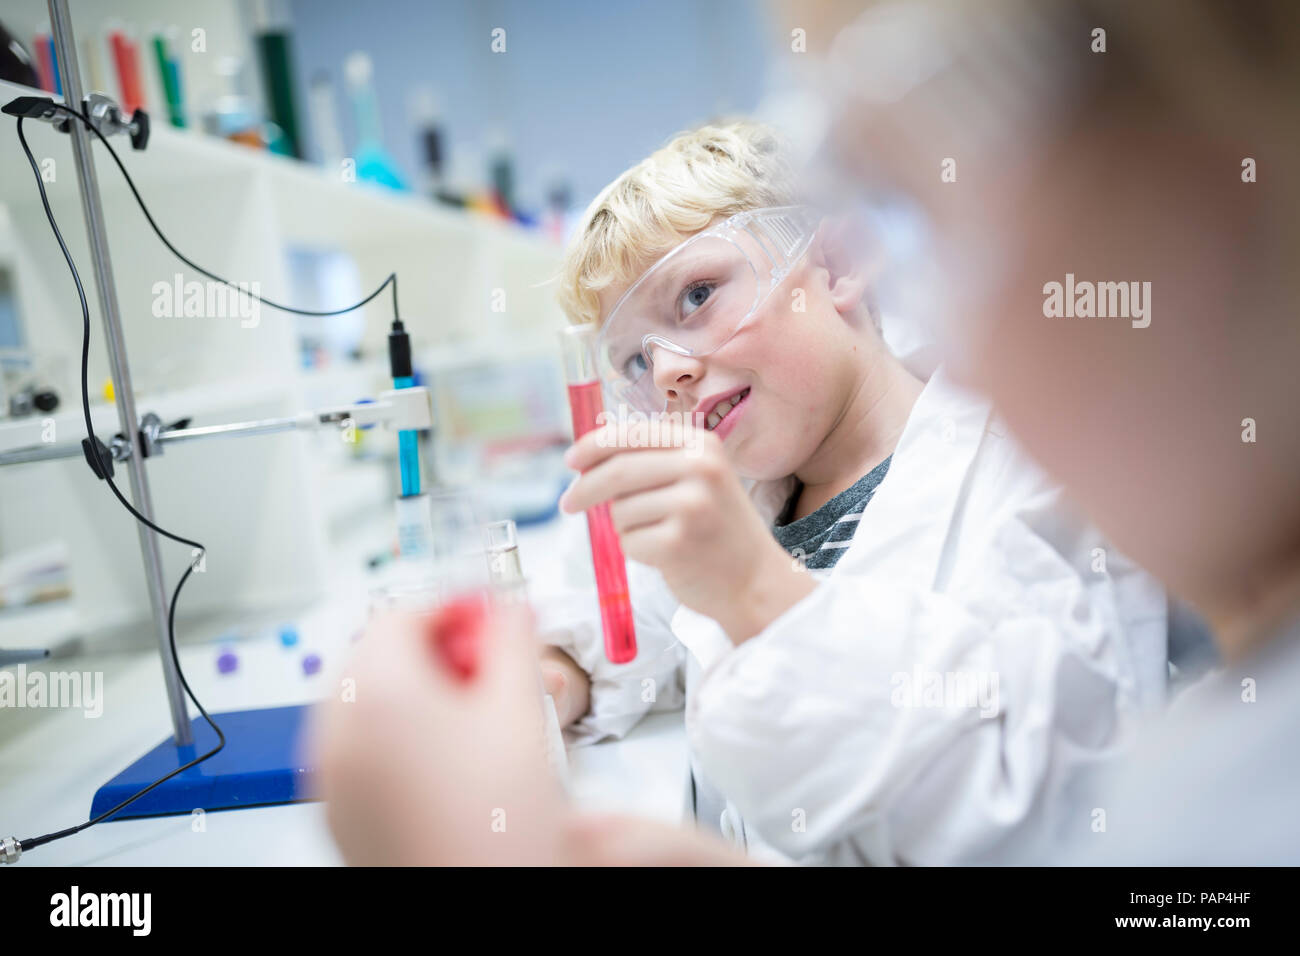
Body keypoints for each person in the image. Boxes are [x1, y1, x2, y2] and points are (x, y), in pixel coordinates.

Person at [313, 119, 1168, 866]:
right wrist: (543, 683)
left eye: (697, 295)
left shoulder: (1026, 474)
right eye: (635, 361)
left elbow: (1060, 812)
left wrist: (755, 590)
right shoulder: (760, 490)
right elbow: (634, 626)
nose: (672, 371)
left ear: (833, 263)